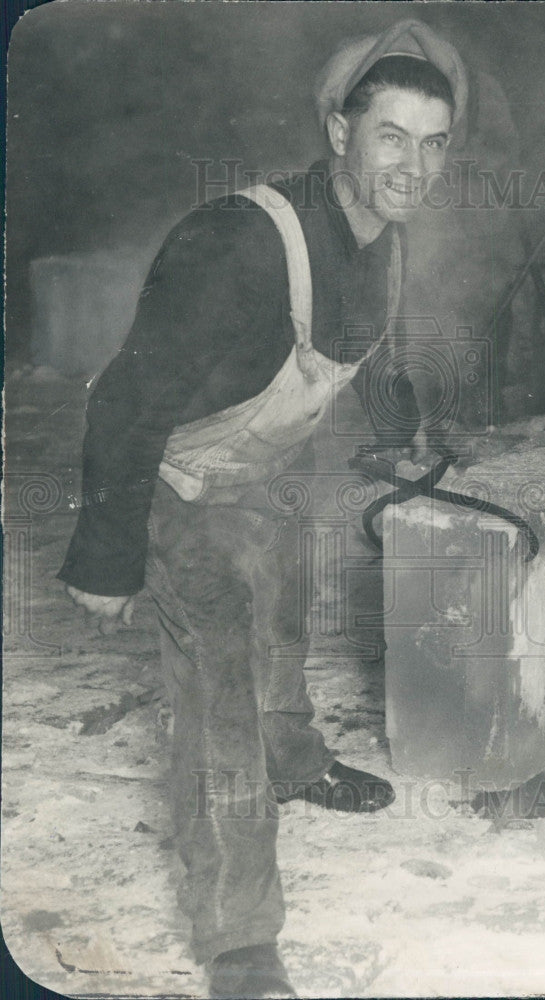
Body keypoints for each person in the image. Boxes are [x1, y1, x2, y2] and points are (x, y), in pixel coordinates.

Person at [58, 19, 468, 999]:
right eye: (389, 136)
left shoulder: (383, 238)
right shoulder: (239, 239)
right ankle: (242, 948)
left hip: (265, 475)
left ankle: (298, 762)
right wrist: (105, 559)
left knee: (284, 614)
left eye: (433, 141)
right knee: (221, 697)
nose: (413, 165)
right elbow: (126, 397)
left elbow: (369, 338)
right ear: (339, 135)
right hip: (171, 486)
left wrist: (395, 419)